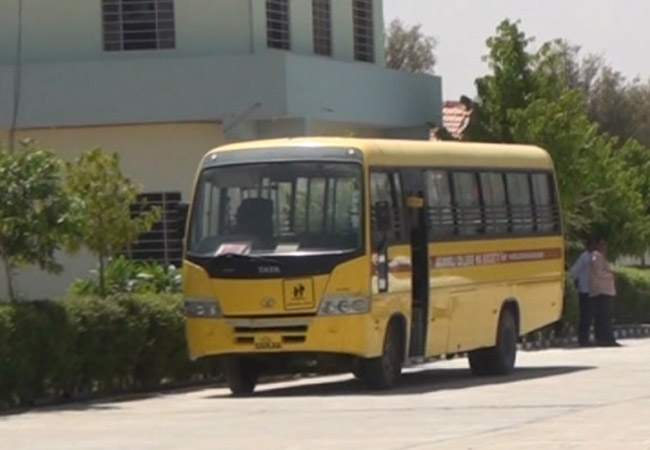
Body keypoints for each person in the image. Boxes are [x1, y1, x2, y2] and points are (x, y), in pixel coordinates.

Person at [588, 238, 620, 347]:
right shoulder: (596, 256)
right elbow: (599, 272)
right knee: (604, 317)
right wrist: (611, 275)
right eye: (602, 244)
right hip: (602, 291)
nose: (605, 247)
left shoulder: (600, 257)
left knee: (603, 317)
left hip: (605, 290)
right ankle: (607, 339)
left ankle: (603, 339)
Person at [569, 239, 595, 346]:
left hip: (591, 291)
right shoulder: (584, 257)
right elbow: (574, 271)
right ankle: (583, 339)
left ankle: (586, 338)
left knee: (589, 317)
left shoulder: (594, 257)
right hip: (585, 290)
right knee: (585, 316)